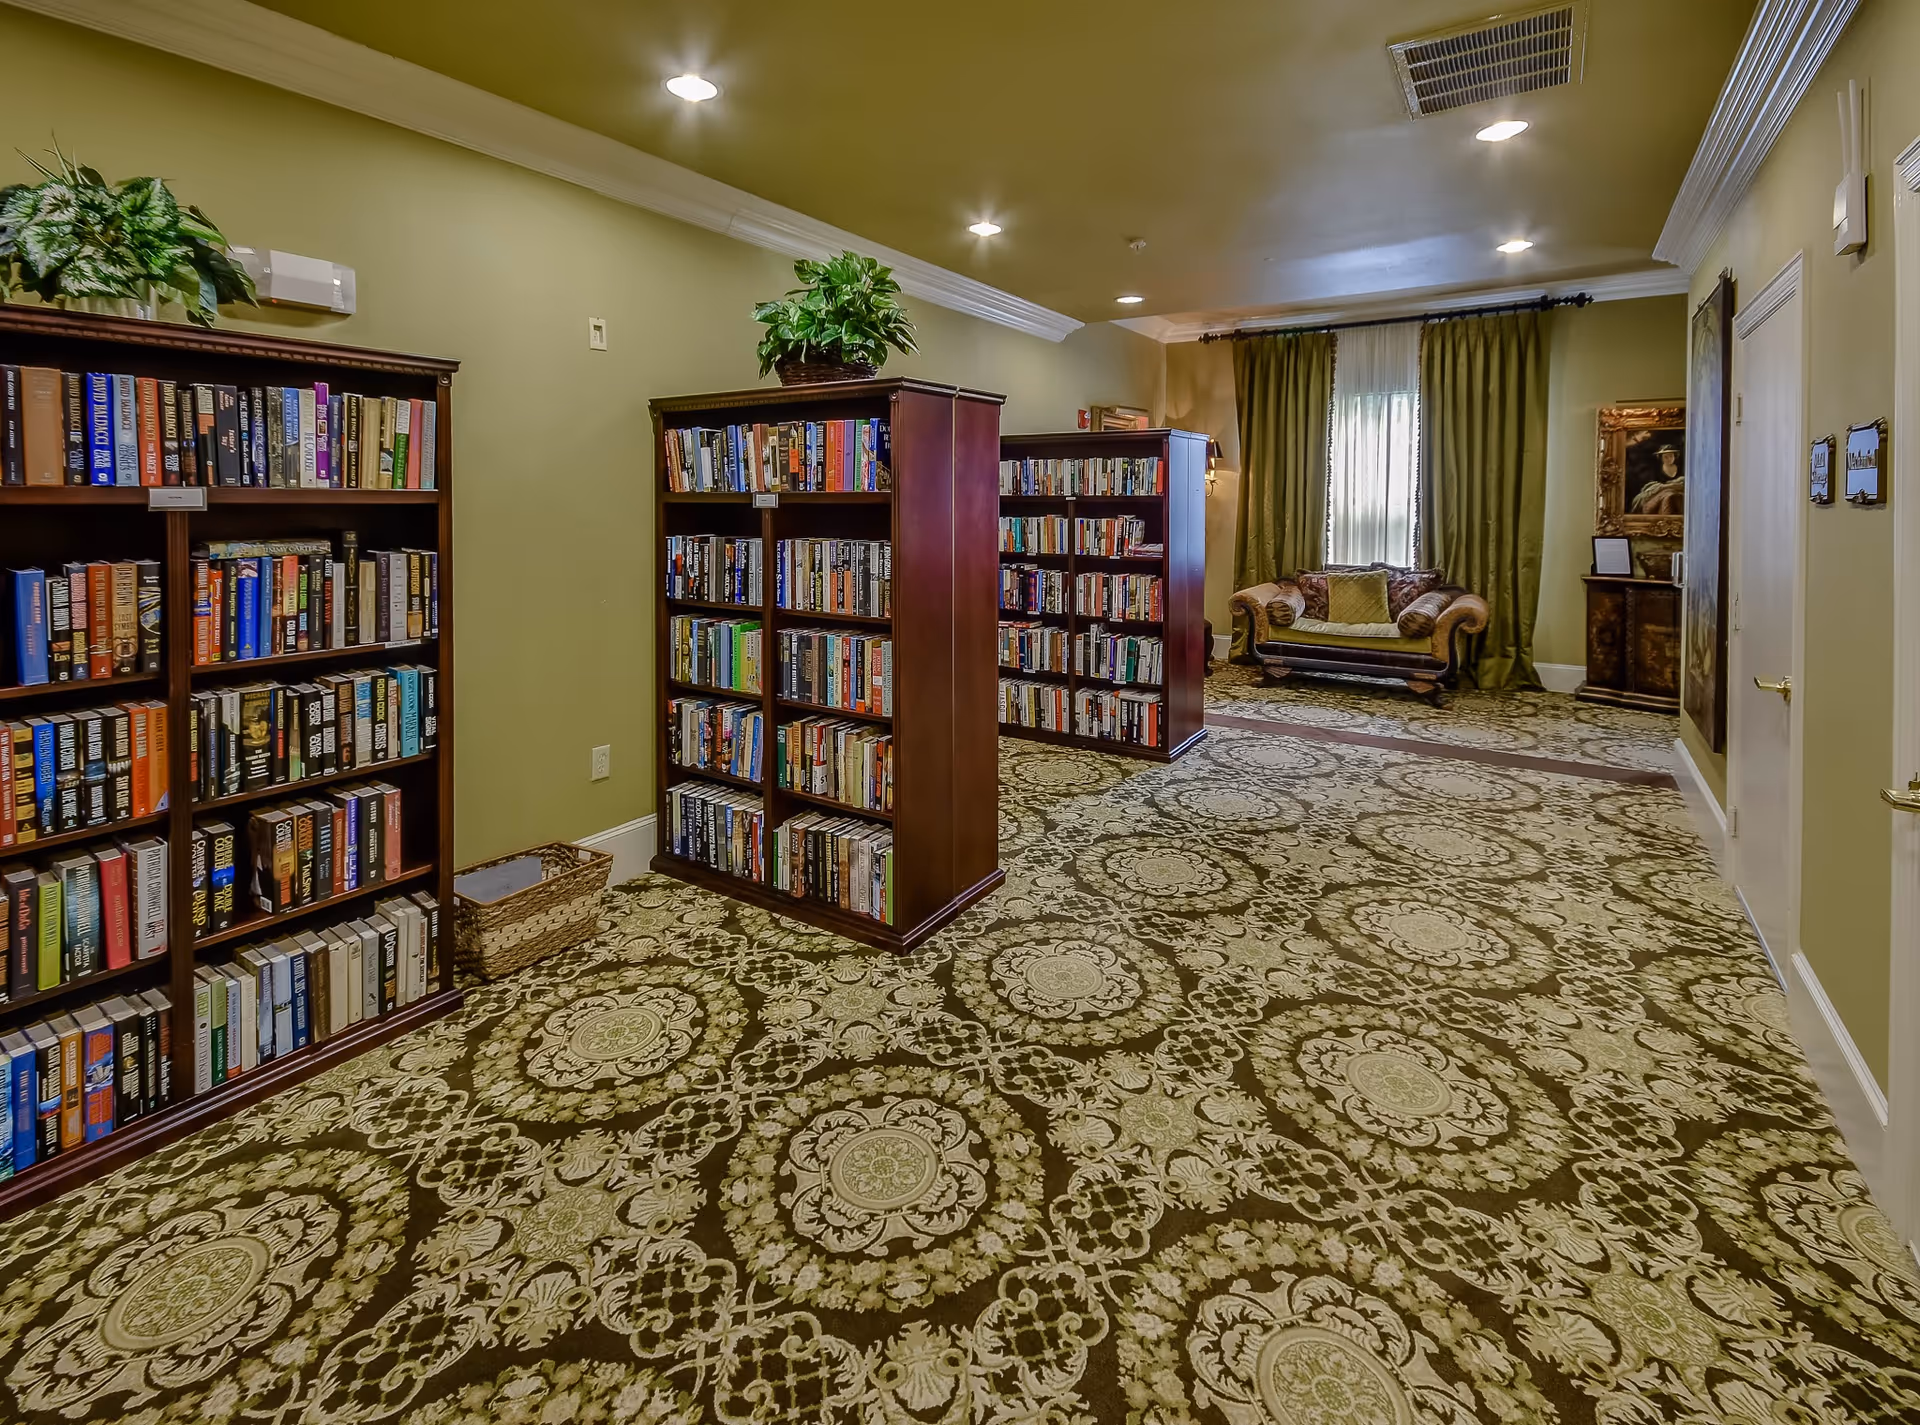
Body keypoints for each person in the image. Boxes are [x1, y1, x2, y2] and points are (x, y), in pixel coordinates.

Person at [1631, 444, 1684, 515]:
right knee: (1668, 496)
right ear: (1661, 458)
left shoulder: (1681, 468)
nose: (1669, 459)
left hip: (1677, 490)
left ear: (1675, 457)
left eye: (1671, 456)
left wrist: (1676, 484)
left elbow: (1682, 481)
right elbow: (1653, 485)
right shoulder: (1656, 470)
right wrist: (1667, 486)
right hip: (1661, 491)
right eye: (1666, 457)